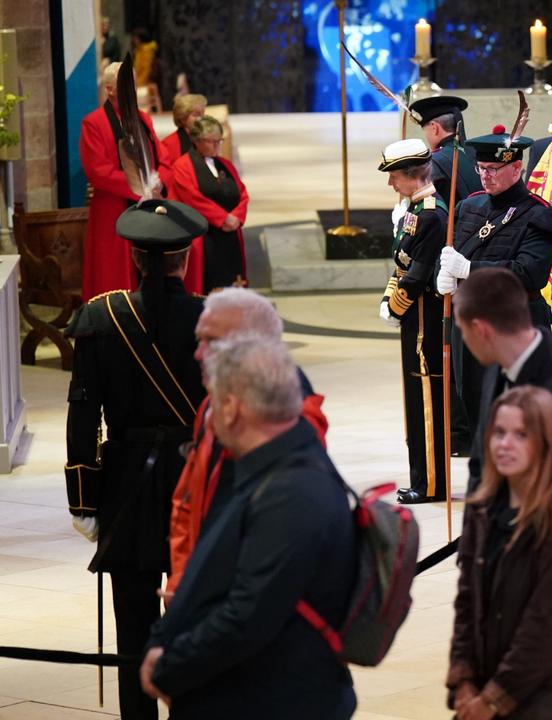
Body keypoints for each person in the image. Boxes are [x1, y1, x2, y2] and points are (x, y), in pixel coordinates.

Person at [141, 339, 357, 718]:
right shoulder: (263, 469)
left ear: (232, 406)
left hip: (271, 699)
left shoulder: (291, 491)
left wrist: (171, 666)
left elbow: (249, 614)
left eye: (214, 399)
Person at [64, 198, 208, 720]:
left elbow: (83, 412)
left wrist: (83, 498)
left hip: (127, 483)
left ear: (136, 260)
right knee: (195, 611)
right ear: (185, 258)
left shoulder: (101, 318)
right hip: (198, 481)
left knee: (133, 618)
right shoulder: (212, 318)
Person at [454, 266, 552, 636]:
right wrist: (473, 555)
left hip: (547, 586)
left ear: (481, 330)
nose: (462, 339)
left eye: (462, 330)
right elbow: (479, 467)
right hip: (495, 572)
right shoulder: (496, 369)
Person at [166, 288, 328, 599]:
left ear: (254, 345)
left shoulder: (293, 422)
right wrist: (182, 581)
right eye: (199, 340)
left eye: (210, 341)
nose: (198, 353)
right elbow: (187, 502)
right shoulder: (214, 406)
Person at [447, 385, 552, 719]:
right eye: (499, 433)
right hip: (486, 688)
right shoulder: (482, 510)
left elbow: (545, 628)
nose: (505, 444)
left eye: (520, 434)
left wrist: (492, 700)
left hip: (548, 701)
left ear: (545, 442)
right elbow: (467, 601)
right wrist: (464, 679)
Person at [436, 124, 552, 460]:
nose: (485, 176)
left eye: (494, 169)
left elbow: (528, 273)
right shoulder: (469, 206)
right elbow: (458, 252)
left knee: (516, 414)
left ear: (516, 167)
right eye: (481, 168)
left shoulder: (539, 216)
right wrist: (447, 275)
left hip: (516, 327)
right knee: (476, 409)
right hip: (471, 327)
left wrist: (469, 272)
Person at [374, 139, 449, 504]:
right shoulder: (416, 210)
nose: (391, 184)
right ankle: (421, 477)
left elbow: (417, 275)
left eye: (394, 177)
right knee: (416, 404)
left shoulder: (430, 214)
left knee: (426, 403)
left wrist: (396, 305)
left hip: (424, 322)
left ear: (411, 176)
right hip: (414, 319)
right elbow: (403, 264)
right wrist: (390, 296)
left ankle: (431, 483)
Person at [80, 61, 172, 299]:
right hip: (113, 209)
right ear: (110, 89)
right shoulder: (94, 123)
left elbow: (162, 156)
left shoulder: (143, 118)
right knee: (115, 281)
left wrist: (158, 179)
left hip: (148, 203)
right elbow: (98, 171)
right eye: (125, 84)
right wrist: (140, 187)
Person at [170, 116, 249, 292]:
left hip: (230, 235)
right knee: (209, 286)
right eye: (211, 141)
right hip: (204, 237)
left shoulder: (226, 165)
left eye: (219, 141)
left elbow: (242, 193)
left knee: (233, 284)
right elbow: (193, 199)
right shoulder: (182, 166)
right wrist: (222, 219)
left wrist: (237, 216)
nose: (217, 146)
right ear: (196, 141)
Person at [408, 95, 482, 209]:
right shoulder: (478, 152)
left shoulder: (434, 161)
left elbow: (430, 211)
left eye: (425, 130)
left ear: (434, 128)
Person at [161, 93, 207, 158]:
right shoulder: (169, 144)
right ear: (183, 118)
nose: (202, 118)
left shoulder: (206, 139)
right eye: (196, 115)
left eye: (203, 114)